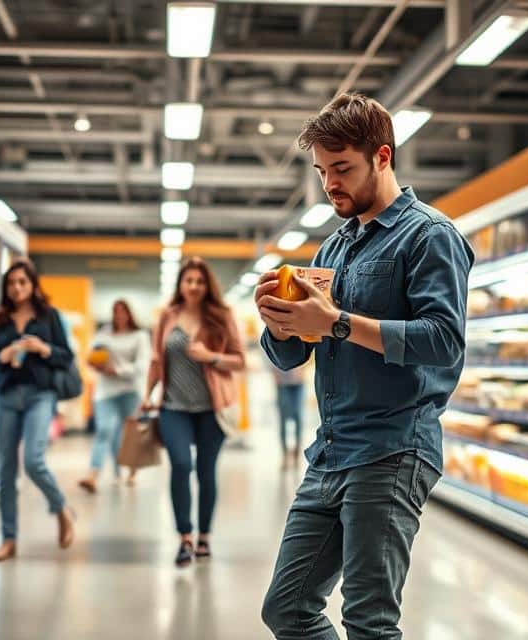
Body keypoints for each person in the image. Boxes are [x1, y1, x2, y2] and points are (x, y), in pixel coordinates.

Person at [256, 93, 474, 639]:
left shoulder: (429, 236)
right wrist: (278, 323)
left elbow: (444, 340)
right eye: (322, 171)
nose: (330, 183)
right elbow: (297, 351)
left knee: (370, 621)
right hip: (331, 451)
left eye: (342, 169)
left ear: (381, 156)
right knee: (287, 609)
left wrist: (335, 321)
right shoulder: (334, 249)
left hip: (394, 448)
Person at [143, 257, 246, 567]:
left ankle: (205, 537)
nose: (194, 287)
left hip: (210, 409)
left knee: (205, 472)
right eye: (188, 281)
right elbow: (155, 360)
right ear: (180, 284)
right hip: (174, 407)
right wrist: (147, 396)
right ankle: (184, 536)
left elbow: (240, 360)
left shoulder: (221, 316)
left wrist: (210, 356)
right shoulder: (168, 316)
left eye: (199, 281)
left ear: (207, 285)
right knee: (180, 463)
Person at [0, 260, 76, 562]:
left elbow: (66, 357)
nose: (17, 288)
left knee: (34, 461)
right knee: (6, 470)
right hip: (7, 396)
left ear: (33, 285)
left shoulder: (49, 317)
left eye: (22, 282)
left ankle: (61, 507)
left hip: (40, 395)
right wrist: (4, 355)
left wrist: (43, 349)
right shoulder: (0, 320)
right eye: (11, 283)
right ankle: (9, 539)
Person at [78, 299, 150, 493]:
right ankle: (94, 474)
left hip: (130, 391)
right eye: (115, 311)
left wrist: (117, 370)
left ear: (129, 313)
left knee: (129, 435)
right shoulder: (104, 335)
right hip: (106, 392)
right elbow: (90, 356)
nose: (119, 315)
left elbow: (142, 367)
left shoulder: (139, 336)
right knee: (105, 429)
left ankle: (131, 469)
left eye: (123, 311)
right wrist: (96, 364)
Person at [273, 361, 307, 470]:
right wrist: (275, 374)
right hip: (282, 382)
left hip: (299, 382)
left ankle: (297, 453)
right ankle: (285, 455)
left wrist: (303, 370)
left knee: (298, 417)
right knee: (283, 419)